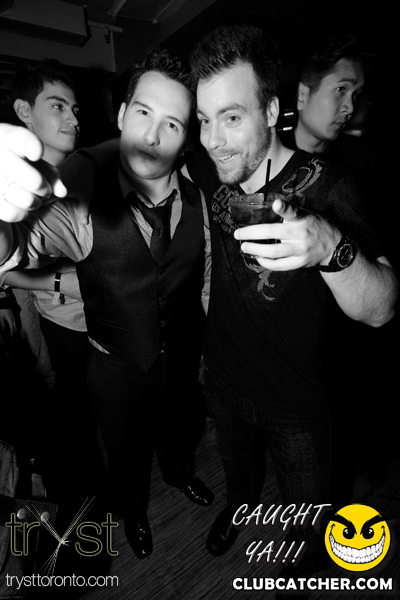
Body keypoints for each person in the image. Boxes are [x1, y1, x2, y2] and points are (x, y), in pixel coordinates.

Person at [183, 25, 397, 583]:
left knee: (305, 522)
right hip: (223, 377)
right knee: (238, 477)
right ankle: (237, 510)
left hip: (297, 401)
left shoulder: (331, 188)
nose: (213, 139)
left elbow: (382, 306)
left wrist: (328, 246)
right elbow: (146, 158)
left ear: (272, 110)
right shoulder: (211, 167)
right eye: (204, 120)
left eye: (232, 117)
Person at [0, 47, 213, 561]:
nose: (152, 136)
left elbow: (203, 276)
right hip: (115, 368)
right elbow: (16, 249)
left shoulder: (199, 198)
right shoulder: (81, 204)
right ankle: (134, 511)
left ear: (186, 138)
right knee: (125, 451)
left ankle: (179, 473)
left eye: (171, 124)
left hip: (181, 358)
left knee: (178, 428)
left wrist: (205, 339)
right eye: (143, 112)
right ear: (121, 115)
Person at [0, 60, 100, 501]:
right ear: (25, 111)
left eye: (75, 109)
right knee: (66, 415)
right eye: (57, 106)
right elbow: (6, 262)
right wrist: (61, 283)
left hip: (104, 318)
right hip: (59, 323)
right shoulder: (14, 182)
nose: (73, 118)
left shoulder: (87, 170)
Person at [279, 34, 366, 158]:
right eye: (341, 89)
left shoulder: (360, 159)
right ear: (301, 95)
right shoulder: (262, 157)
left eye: (355, 94)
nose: (350, 108)